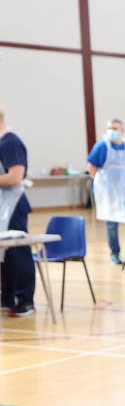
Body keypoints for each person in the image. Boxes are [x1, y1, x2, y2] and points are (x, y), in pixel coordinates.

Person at [87, 118, 125, 264]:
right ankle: (115, 252)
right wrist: (101, 184)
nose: (111, 131)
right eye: (109, 128)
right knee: (112, 221)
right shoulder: (101, 146)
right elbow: (91, 167)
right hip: (109, 190)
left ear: (122, 131)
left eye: (114, 128)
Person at [0, 106, 36, 316]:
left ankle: (25, 299)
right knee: (4, 255)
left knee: (17, 252)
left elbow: (15, 176)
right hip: (2, 205)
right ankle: (7, 297)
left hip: (13, 206)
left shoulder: (10, 142)